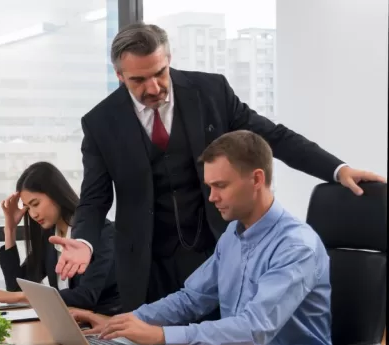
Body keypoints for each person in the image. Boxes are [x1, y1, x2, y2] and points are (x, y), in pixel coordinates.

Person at [51, 23, 386, 313]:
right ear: (119, 75)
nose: (153, 88)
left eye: (159, 73)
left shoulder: (211, 92)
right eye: (139, 80)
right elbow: (94, 199)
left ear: (168, 61)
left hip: (215, 251)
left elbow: (273, 136)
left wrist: (337, 169)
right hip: (146, 264)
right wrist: (86, 243)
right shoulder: (100, 122)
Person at [73, 131, 332, 345]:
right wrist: (126, 322)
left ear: (257, 179)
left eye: (220, 186)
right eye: (209, 187)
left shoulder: (295, 246)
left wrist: (161, 336)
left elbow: (253, 329)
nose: (211, 197)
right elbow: (191, 298)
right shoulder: (233, 236)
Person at [0, 162, 121, 316]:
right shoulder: (50, 235)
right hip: (71, 323)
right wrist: (10, 229)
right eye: (28, 208)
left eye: (35, 204)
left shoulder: (99, 232)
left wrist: (21, 297)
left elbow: (86, 297)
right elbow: (16, 289)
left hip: (105, 325)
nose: (33, 214)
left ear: (56, 194)